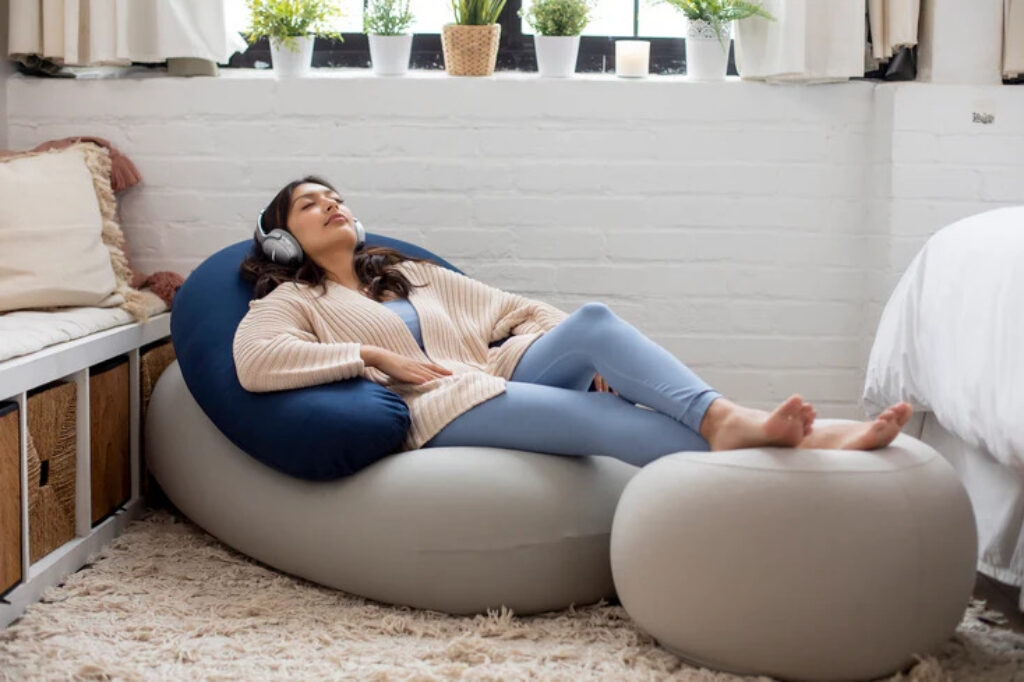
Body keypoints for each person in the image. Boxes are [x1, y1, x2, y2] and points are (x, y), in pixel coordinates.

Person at [234, 175, 913, 468]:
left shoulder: (406, 272)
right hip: (436, 404)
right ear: (281, 241)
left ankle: (728, 420)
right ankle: (797, 449)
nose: (333, 206)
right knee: (614, 427)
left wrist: (581, 363)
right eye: (310, 205)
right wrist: (373, 359)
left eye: (337, 198)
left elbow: (515, 310)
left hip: (491, 373)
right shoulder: (293, 301)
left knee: (590, 321)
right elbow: (257, 363)